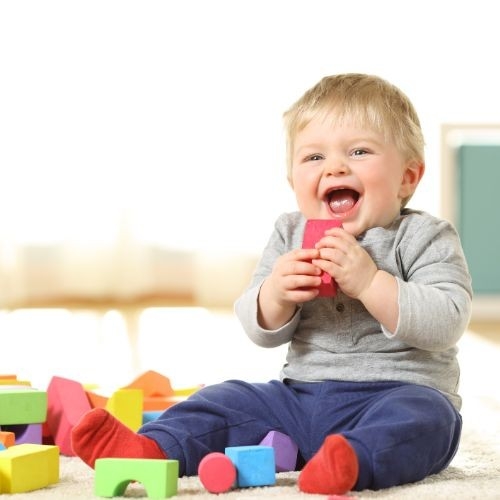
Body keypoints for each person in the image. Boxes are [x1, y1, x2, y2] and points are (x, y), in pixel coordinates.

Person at [71, 73, 472, 495]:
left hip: (397, 394)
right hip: (298, 399)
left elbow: (446, 321)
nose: (335, 167)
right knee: (227, 399)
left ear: (408, 177)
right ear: (293, 181)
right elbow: (257, 326)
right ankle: (152, 448)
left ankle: (350, 462)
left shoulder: (424, 236)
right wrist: (277, 294)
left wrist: (370, 282)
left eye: (359, 151)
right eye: (314, 157)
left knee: (429, 420)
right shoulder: (290, 233)